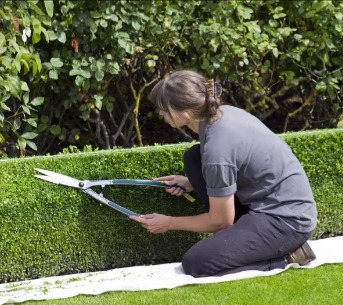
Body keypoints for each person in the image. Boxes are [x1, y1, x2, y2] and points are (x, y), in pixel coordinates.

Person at [130, 70, 317, 277]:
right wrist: (191, 182)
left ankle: (288, 256)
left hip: (287, 220)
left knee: (196, 263)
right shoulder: (222, 114)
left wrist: (169, 222)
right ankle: (241, 241)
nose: (161, 114)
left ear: (187, 113)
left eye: (164, 109)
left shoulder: (217, 149)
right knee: (193, 158)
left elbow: (221, 221)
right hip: (272, 203)